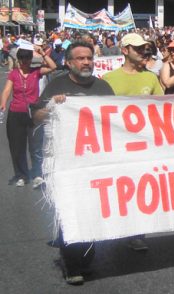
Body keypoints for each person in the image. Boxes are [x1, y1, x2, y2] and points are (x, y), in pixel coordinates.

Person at [31, 40, 114, 285]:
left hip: (96, 162)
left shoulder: (103, 87)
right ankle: (72, 263)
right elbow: (36, 118)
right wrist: (51, 107)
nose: (87, 62)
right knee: (71, 211)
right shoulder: (56, 86)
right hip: (66, 162)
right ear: (68, 63)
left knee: (91, 211)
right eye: (80, 58)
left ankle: (85, 259)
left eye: (89, 58)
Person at [103, 32, 163, 251]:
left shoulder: (150, 78)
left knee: (142, 189)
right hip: (118, 147)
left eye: (144, 48)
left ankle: (137, 233)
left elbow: (164, 108)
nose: (142, 51)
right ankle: (117, 228)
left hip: (144, 146)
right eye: (137, 48)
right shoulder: (109, 79)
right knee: (119, 189)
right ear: (125, 50)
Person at [0, 39, 56, 187]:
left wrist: (42, 52)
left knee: (35, 145)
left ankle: (37, 173)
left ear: (31, 59)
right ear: (18, 59)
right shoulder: (13, 74)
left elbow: (53, 66)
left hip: (34, 113)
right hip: (16, 112)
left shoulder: (36, 72)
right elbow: (7, 90)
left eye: (28, 58)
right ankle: (21, 175)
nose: (25, 61)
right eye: (22, 58)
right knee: (17, 146)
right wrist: (2, 104)